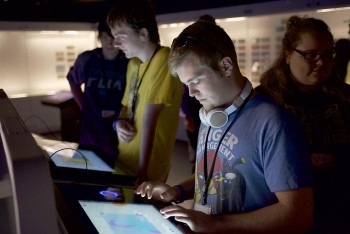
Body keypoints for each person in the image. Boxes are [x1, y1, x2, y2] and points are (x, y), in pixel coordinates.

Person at [136, 21, 313, 233]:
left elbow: (297, 215)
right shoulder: (211, 115)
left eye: (197, 81)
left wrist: (217, 224)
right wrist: (177, 192)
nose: (191, 93)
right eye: (186, 84)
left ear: (226, 66)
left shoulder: (274, 123)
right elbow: (211, 174)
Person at [257, 16, 350, 233]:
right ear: (288, 54)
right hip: (287, 217)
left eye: (328, 55)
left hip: (341, 214)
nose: (321, 62)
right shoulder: (265, 102)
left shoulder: (345, 98)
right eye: (311, 55)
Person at [107, 0, 183, 183]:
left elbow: (150, 120)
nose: (115, 43)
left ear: (143, 33)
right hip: (125, 157)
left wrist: (142, 175)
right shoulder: (133, 64)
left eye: (121, 36)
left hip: (148, 168)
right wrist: (118, 123)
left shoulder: (164, 59)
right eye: (113, 36)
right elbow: (126, 106)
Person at [67, 19, 128, 167]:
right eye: (105, 37)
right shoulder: (87, 59)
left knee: (118, 164)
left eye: (113, 37)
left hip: (118, 122)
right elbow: (73, 81)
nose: (109, 42)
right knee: (90, 162)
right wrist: (84, 106)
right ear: (99, 38)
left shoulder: (128, 60)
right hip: (92, 123)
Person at [180, 14, 216, 171]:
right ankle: (196, 170)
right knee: (196, 143)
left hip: (211, 106)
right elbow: (186, 89)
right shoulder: (192, 53)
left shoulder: (215, 51)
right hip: (195, 108)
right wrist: (187, 115)